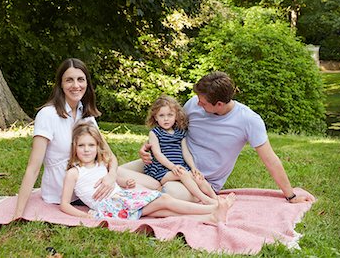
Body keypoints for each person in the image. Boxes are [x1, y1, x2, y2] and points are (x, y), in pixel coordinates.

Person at [119, 71, 314, 204]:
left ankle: (140, 189)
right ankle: (137, 187)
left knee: (169, 192)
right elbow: (172, 133)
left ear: (219, 104)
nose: (198, 103)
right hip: (168, 163)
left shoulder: (248, 120)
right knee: (113, 172)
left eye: (203, 102)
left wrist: (290, 195)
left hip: (200, 181)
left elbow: (270, 159)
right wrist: (147, 147)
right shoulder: (193, 104)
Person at [60, 121, 235, 223]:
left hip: (122, 197)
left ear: (98, 147)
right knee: (164, 200)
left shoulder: (101, 165)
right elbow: (65, 204)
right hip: (110, 208)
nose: (86, 150)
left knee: (164, 211)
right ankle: (213, 207)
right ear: (74, 147)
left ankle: (211, 217)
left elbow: (114, 183)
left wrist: (124, 183)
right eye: (81, 145)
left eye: (91, 145)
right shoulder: (74, 173)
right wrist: (85, 216)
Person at [13, 58, 118, 219]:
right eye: (69, 80)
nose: (76, 85)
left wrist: (111, 177)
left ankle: (164, 179)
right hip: (65, 195)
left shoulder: (87, 116)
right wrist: (18, 215)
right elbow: (33, 168)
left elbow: (109, 156)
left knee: (139, 179)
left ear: (87, 84)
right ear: (60, 84)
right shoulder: (48, 115)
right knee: (143, 188)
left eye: (80, 79)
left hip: (93, 181)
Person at [144, 95, 217, 205]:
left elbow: (186, 152)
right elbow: (157, 154)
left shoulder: (180, 132)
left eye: (170, 115)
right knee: (182, 173)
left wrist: (193, 167)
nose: (166, 119)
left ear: (176, 116)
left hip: (179, 167)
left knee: (198, 177)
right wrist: (172, 167)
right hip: (162, 170)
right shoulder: (155, 133)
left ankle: (215, 198)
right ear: (155, 117)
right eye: (161, 115)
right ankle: (203, 198)